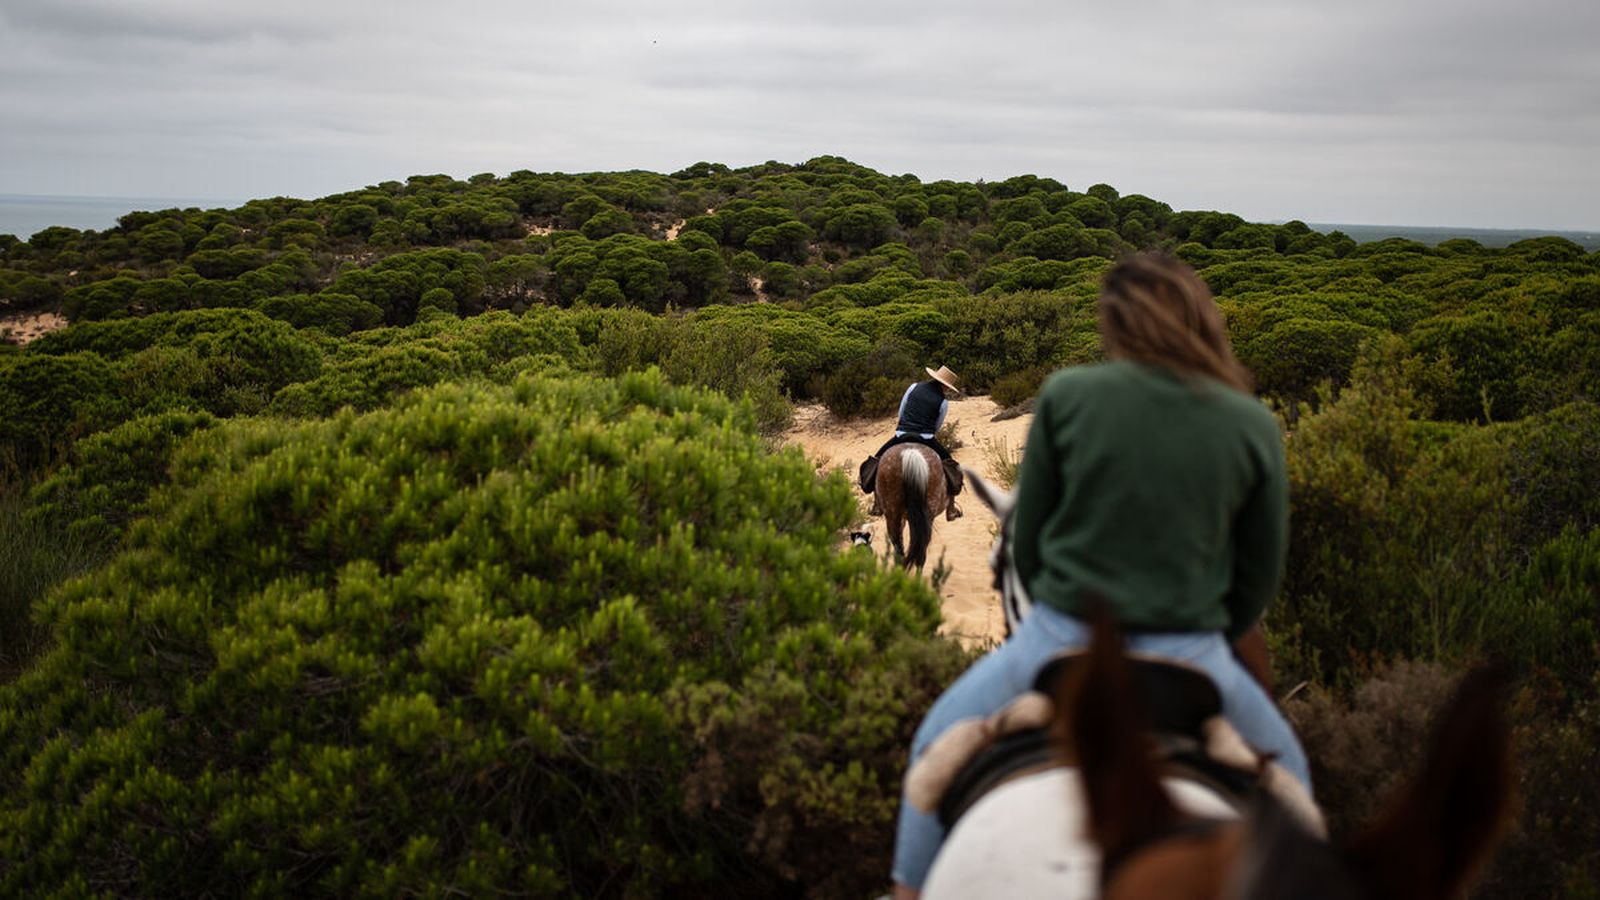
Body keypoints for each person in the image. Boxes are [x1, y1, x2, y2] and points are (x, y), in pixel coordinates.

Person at [889, 253, 1310, 898]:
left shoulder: (1070, 394)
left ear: (1115, 326)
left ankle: (911, 887)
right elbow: (1258, 574)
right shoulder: (1250, 421)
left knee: (934, 745)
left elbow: (1027, 537)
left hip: (1059, 635)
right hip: (1194, 647)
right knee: (1297, 788)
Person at [859, 365, 965, 521]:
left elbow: (901, 411)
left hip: (902, 434)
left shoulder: (913, 387)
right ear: (945, 385)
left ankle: (877, 504)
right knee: (952, 466)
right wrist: (927, 433)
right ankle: (951, 508)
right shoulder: (943, 402)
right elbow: (937, 425)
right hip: (926, 438)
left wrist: (905, 426)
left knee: (877, 460)